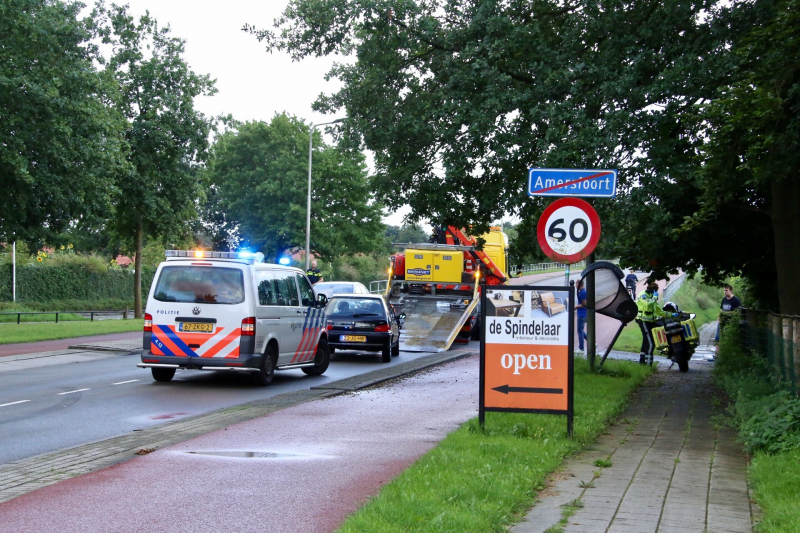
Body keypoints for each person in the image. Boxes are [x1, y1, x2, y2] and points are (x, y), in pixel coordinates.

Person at [636, 282, 666, 365]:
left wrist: (671, 315)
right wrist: (655, 297)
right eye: (655, 291)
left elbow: (658, 310)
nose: (655, 293)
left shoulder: (652, 297)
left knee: (646, 340)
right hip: (643, 320)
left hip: (651, 322)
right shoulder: (643, 294)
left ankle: (642, 360)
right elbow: (646, 304)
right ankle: (649, 362)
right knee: (651, 342)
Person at [575, 279, 588, 353]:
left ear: (580, 285)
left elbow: (584, 304)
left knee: (580, 331)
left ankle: (581, 348)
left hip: (582, 314)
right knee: (581, 330)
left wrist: (575, 307)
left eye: (576, 284)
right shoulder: (582, 292)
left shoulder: (583, 293)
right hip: (583, 314)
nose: (575, 286)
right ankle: (592, 342)